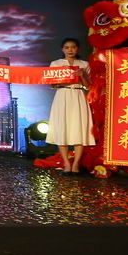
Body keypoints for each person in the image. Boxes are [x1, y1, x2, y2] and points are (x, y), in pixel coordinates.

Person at [46, 37, 95, 174]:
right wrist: (67, 77)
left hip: (78, 96)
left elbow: (89, 86)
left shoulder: (84, 64)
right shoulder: (56, 64)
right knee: (63, 129)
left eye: (73, 47)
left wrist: (82, 75)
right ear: (62, 49)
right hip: (62, 95)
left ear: (77, 49)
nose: (70, 50)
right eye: (67, 47)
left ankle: (76, 165)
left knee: (79, 129)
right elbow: (52, 84)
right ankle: (67, 164)